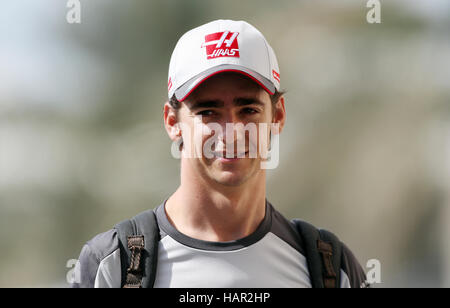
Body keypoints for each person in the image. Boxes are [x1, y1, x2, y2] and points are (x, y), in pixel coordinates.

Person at [72, 19, 368, 288]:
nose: (231, 131)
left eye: (248, 109)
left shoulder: (330, 269)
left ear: (277, 115)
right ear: (172, 122)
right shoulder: (114, 265)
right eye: (209, 111)